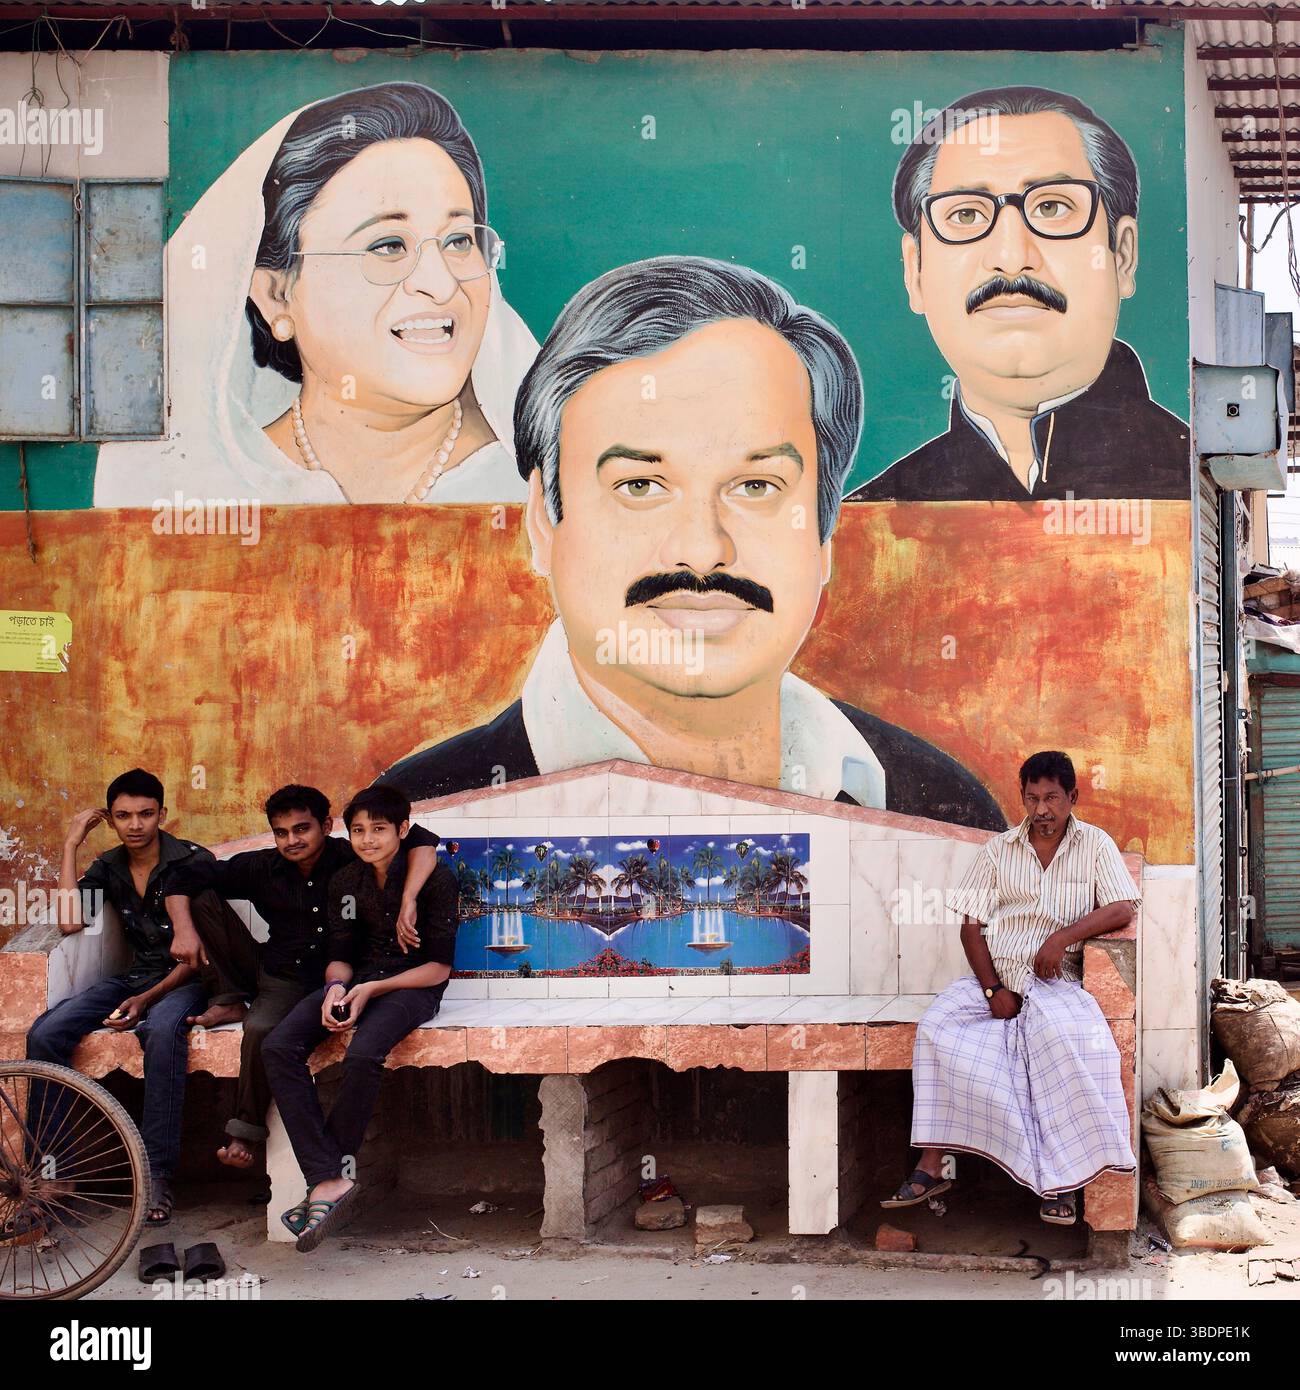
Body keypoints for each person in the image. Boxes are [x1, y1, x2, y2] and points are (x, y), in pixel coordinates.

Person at [382, 255, 1005, 831]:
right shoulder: (420, 817)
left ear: (824, 532)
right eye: (641, 485)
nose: (704, 551)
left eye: (758, 485)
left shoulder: (945, 808)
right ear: (543, 520)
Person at [94, 81, 539, 506]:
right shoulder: (198, 491)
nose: (441, 284)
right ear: (276, 297)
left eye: (459, 241)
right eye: (388, 246)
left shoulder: (542, 487)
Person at [847, 86, 1188, 502]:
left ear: (1122, 256)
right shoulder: (871, 520)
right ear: (915, 271)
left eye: (1052, 207)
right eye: (966, 214)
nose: (1011, 258)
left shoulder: (1192, 486)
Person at [882, 750, 1138, 1226]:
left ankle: (1062, 1183)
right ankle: (933, 1163)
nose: (1042, 809)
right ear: (1022, 798)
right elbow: (971, 927)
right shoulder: (999, 850)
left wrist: (1062, 938)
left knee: (1059, 1042)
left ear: (1072, 798)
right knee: (936, 1028)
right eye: (1032, 798)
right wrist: (991, 991)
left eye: (1052, 798)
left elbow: (1122, 908)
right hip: (996, 978)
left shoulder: (1095, 845)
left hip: (1052, 984)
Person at [165, 784, 441, 1171]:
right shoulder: (261, 867)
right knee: (259, 1023)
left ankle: (323, 1160)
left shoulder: (352, 859)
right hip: (282, 974)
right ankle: (244, 1123)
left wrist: (408, 899)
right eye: (281, 832)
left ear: (326, 826)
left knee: (276, 1034)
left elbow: (423, 839)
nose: (292, 840)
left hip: (342, 975)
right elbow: (183, 877)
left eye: (301, 829)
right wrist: (184, 930)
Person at [25, 769, 233, 1228]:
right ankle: (52, 1174)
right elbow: (68, 924)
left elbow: (199, 954)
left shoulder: (191, 862)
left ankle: (157, 1174)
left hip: (188, 980)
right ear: (112, 820)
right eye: (123, 816)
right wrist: (70, 846)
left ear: (162, 813)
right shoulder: (110, 865)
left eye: (144, 814)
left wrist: (146, 1000)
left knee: (160, 1031)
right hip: (135, 976)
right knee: (46, 1033)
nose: (135, 825)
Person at [262, 784, 458, 1252]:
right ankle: (329, 1178)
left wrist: (373, 989)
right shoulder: (346, 882)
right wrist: (334, 990)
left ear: (402, 830)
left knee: (365, 1053)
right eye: (358, 830)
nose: (368, 839)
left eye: (379, 829)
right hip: (359, 980)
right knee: (278, 1045)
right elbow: (340, 957)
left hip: (412, 987)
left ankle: (326, 1179)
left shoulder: (436, 880)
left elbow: (438, 968)